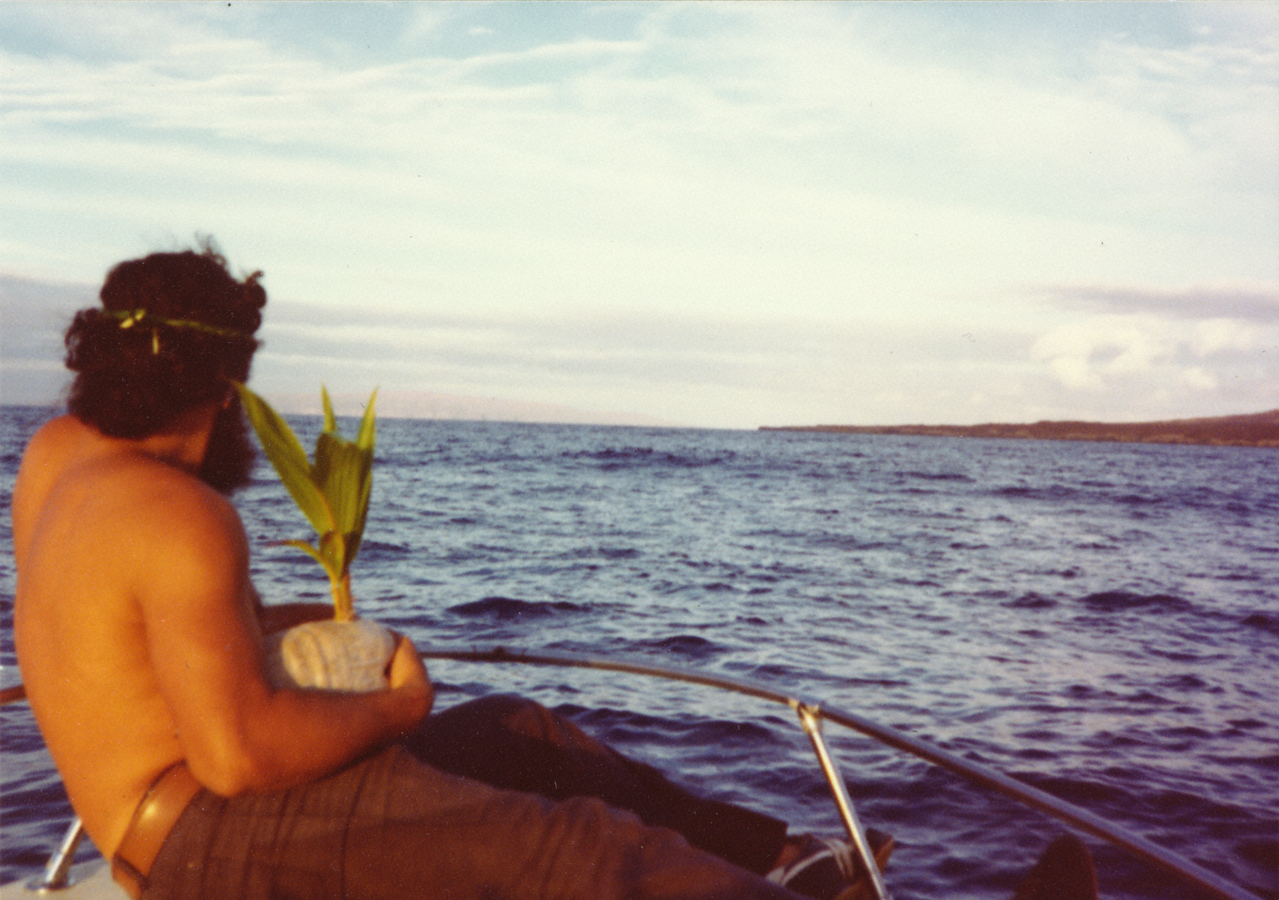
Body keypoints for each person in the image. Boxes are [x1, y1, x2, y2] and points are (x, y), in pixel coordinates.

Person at [12, 245, 892, 900]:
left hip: (147, 818)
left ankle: (782, 858)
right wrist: (397, 705)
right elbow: (239, 756)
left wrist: (296, 620)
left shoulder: (59, 457)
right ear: (226, 383)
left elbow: (126, 632)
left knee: (522, 729)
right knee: (577, 849)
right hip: (198, 840)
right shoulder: (182, 513)